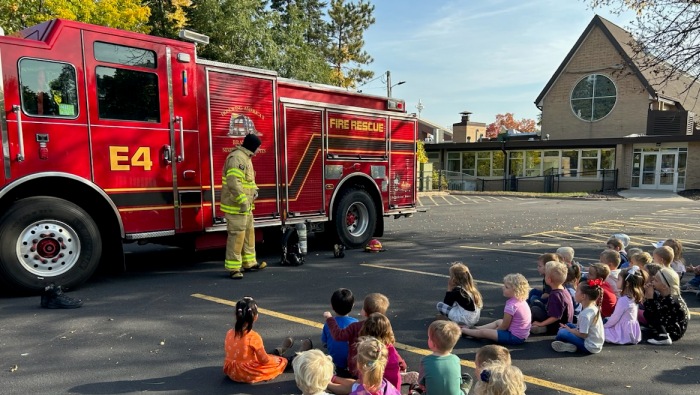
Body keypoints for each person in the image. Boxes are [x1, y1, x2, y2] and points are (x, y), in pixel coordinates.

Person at [223, 296, 312, 383]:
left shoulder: (229, 332)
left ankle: (279, 351)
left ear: (236, 315)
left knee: (260, 354)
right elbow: (264, 360)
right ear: (255, 317)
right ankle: (297, 357)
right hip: (247, 372)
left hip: (232, 371)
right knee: (280, 362)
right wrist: (277, 360)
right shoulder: (253, 337)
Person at [221, 133, 266, 279]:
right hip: (237, 206)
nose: (259, 150)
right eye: (258, 147)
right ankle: (234, 268)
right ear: (252, 146)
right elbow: (234, 182)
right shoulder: (237, 158)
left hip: (245, 206)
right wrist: (243, 201)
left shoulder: (245, 157)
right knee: (237, 236)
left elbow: (248, 181)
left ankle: (249, 262)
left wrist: (255, 191)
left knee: (248, 234)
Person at [323, 293, 390, 379]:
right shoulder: (383, 327)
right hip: (374, 365)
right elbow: (389, 345)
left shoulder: (356, 326)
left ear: (365, 312)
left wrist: (329, 319)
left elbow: (338, 335)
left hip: (356, 366)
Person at [461, 273, 531, 345]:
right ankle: (476, 329)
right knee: (499, 321)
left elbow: (504, 326)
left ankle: (463, 330)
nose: (503, 287)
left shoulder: (511, 306)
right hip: (522, 335)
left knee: (484, 333)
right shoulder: (521, 300)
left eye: (507, 287)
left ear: (516, 291)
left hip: (514, 337)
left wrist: (493, 332)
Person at [410, 320, 473, 395]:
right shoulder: (456, 359)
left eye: (429, 337)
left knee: (414, 387)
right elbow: (458, 382)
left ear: (433, 344)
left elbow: (421, 385)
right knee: (467, 377)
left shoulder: (425, 361)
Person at [551, 279, 605, 354]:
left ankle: (567, 343)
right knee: (568, 324)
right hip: (595, 344)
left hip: (589, 347)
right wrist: (569, 328)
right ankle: (570, 344)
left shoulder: (585, 314)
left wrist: (569, 330)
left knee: (562, 332)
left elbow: (583, 335)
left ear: (583, 296)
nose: (575, 293)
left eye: (576, 291)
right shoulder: (593, 307)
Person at [643, 267, 690, 345]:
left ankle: (664, 336)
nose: (652, 282)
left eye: (656, 280)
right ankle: (659, 332)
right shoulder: (666, 296)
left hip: (673, 333)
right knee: (648, 313)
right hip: (672, 327)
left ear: (664, 286)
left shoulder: (670, 300)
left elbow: (652, 312)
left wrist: (649, 297)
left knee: (649, 314)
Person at [322, 288, 358, 377]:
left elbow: (324, 341)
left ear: (332, 306)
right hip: (352, 364)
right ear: (353, 305)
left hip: (334, 362)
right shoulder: (356, 323)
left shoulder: (328, 324)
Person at [531, 260, 573, 335]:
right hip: (565, 321)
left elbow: (555, 316)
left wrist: (541, 323)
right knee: (536, 302)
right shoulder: (563, 289)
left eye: (546, 275)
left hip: (558, 325)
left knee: (534, 309)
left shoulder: (555, 295)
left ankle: (541, 327)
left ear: (549, 279)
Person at [604, 266, 644, 345]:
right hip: (631, 331)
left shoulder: (624, 300)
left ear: (627, 283)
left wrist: (604, 326)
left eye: (618, 279)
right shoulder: (633, 296)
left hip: (622, 332)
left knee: (599, 331)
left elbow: (615, 317)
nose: (616, 281)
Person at [436, 262, 483, 328]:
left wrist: (449, 289)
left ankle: (456, 322)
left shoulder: (458, 291)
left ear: (454, 279)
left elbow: (447, 304)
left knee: (439, 305)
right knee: (456, 305)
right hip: (475, 319)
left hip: (466, 320)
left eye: (451, 276)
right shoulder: (471, 288)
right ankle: (459, 320)